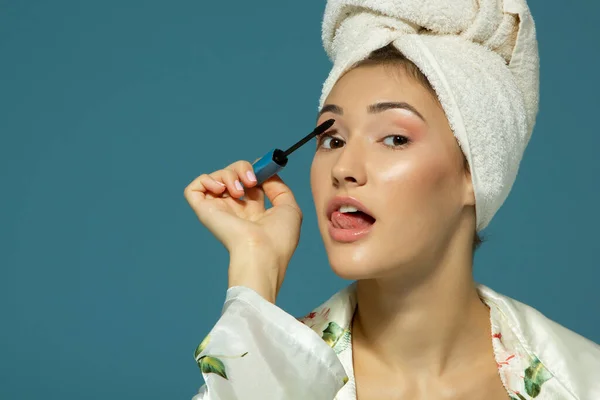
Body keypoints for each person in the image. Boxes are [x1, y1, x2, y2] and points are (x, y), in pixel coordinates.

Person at [183, 1, 600, 399]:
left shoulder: (582, 381)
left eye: (395, 138)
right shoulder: (267, 373)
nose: (344, 166)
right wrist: (255, 271)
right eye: (332, 138)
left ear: (476, 173)